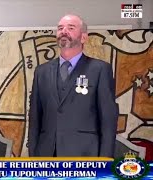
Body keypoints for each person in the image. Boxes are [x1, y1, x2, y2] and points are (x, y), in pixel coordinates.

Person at [28, 14, 119, 157]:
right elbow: (35, 119)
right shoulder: (42, 72)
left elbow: (108, 121)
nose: (64, 31)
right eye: (60, 28)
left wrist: (105, 162)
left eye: (71, 28)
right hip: (46, 155)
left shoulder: (99, 70)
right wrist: (33, 157)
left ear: (83, 37)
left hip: (85, 156)